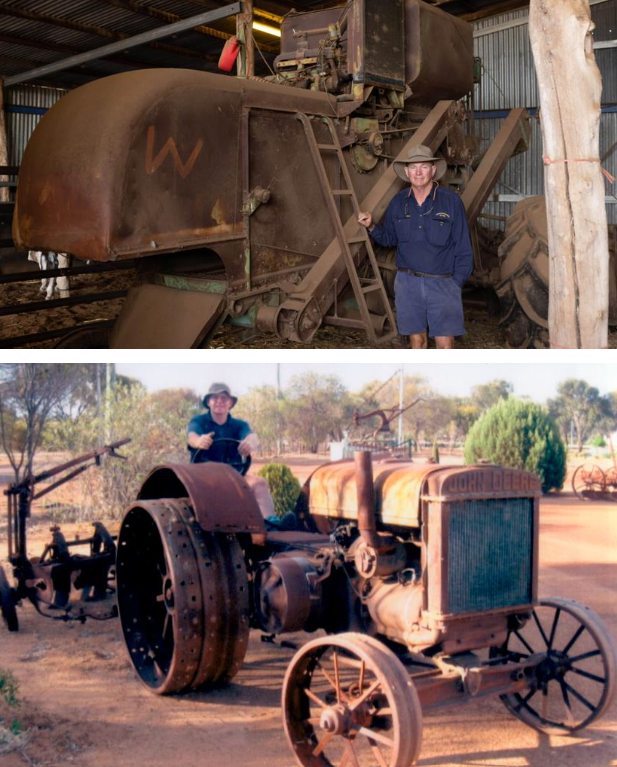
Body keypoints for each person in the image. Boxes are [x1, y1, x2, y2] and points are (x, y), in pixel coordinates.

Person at [358, 144, 473, 349]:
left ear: (433, 170)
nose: (418, 172)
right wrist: (372, 226)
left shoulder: (451, 202)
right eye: (413, 168)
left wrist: (455, 283)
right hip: (408, 284)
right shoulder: (398, 202)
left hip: (443, 284)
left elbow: (464, 248)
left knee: (445, 345)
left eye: (424, 167)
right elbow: (389, 239)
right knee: (416, 342)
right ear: (406, 172)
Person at [187, 383, 275, 519]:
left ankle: (271, 525)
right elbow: (191, 436)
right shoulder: (198, 421)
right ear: (208, 402)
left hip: (233, 478)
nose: (219, 401)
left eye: (224, 398)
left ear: (230, 403)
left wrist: (249, 443)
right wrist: (199, 441)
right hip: (204, 480)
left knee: (259, 483)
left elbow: (251, 436)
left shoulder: (240, 425)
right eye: (215, 398)